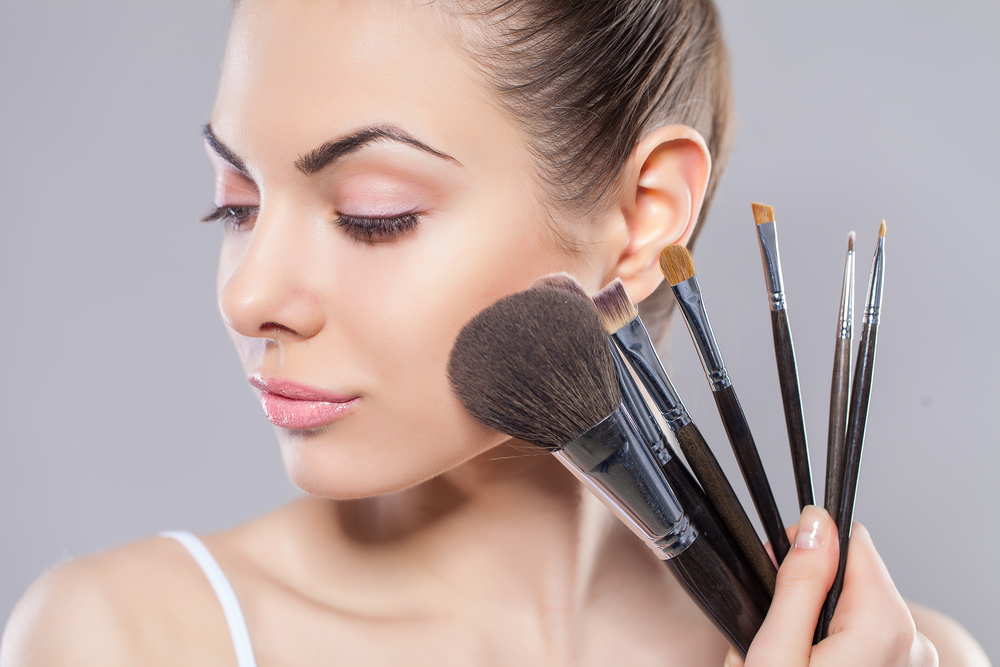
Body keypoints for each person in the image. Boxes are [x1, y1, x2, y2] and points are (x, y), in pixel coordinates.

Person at [0, 1, 989, 665]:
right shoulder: (128, 637)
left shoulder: (903, 653)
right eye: (236, 204)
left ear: (642, 215)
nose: (250, 293)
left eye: (373, 212)